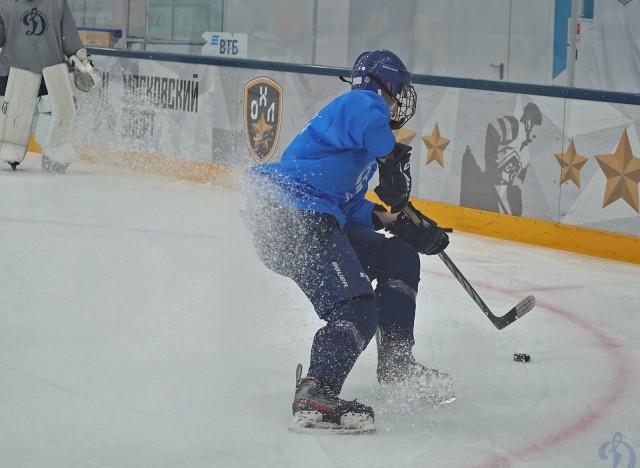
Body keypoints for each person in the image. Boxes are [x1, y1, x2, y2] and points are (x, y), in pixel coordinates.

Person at [244, 49, 452, 433]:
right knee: (357, 307)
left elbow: (349, 208)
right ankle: (316, 393)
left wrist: (401, 222)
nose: (399, 98)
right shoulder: (361, 103)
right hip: (292, 220)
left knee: (399, 253)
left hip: (309, 220)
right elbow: (371, 121)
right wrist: (392, 161)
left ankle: (396, 362)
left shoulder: (356, 146)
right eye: (398, 89)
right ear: (385, 84)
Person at [0, 0, 102, 173]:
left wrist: (83, 62)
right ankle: (13, 149)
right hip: (14, 72)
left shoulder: (57, 3)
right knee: (13, 129)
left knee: (57, 118)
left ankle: (54, 154)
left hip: (50, 72)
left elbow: (69, 37)